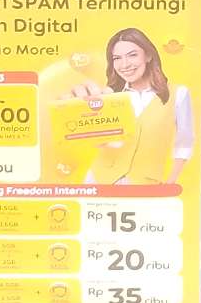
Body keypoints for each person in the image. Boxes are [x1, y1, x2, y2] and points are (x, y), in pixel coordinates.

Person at [84, 28, 195, 186]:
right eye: (117, 58)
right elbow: (95, 140)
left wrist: (171, 181)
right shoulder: (109, 96)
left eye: (132, 55)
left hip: (146, 183)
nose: (124, 65)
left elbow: (184, 142)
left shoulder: (178, 94)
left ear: (148, 55)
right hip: (99, 180)